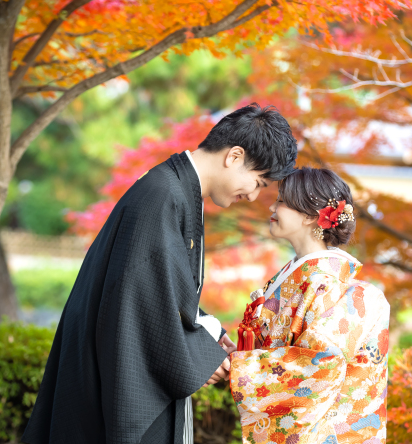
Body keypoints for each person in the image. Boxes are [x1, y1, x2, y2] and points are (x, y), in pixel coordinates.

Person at [22, 104, 298, 444]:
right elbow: (140, 301)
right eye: (257, 182)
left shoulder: (176, 189)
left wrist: (209, 333)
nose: (254, 195)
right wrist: (198, 357)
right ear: (235, 156)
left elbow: (166, 288)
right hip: (99, 377)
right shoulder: (164, 195)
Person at [229, 167, 390, 444]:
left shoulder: (327, 284)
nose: (272, 205)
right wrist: (241, 354)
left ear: (309, 216)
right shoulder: (300, 276)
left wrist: (240, 367)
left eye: (280, 201)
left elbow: (319, 364)